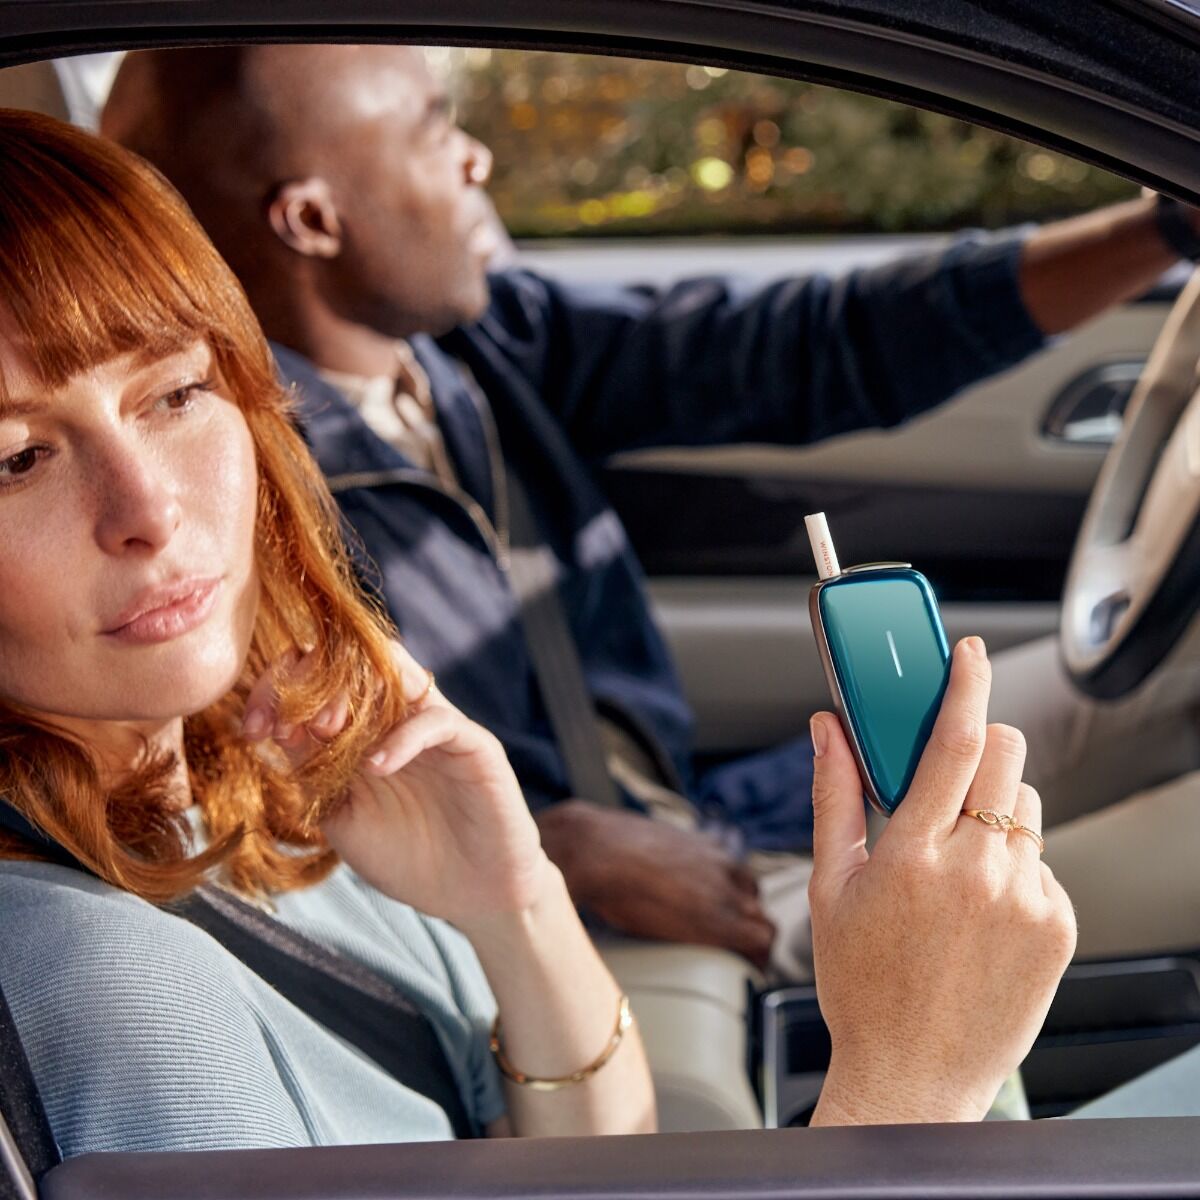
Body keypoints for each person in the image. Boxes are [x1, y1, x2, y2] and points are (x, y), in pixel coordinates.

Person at [0, 109, 1098, 1156]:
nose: (148, 511)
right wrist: (909, 1088)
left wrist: (513, 902)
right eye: (16, 458)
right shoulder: (98, 977)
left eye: (175, 395)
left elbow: (583, 1150)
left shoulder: (248, 779)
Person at [100, 44, 1200, 978]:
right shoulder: (231, 495)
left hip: (705, 816)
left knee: (1167, 679)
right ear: (312, 219)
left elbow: (812, 348)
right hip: (601, 910)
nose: (475, 156)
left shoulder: (471, 348)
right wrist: (558, 846)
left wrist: (1159, 232)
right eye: (435, 130)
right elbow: (255, 803)